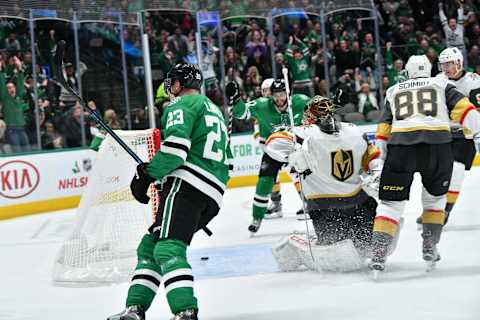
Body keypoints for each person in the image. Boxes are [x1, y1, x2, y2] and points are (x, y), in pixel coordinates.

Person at [107, 63, 231, 320]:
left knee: (168, 249)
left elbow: (175, 151)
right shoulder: (213, 108)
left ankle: (186, 311)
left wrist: (146, 175)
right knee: (150, 246)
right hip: (211, 193)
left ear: (179, 83)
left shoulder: (180, 105)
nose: (170, 86)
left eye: (172, 81)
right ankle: (135, 309)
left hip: (187, 187)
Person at [371, 55, 480, 273]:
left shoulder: (393, 90)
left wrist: (380, 158)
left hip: (401, 148)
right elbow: (465, 110)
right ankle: (430, 243)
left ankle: (379, 250)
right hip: (437, 148)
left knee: (390, 204)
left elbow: (383, 128)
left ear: (408, 73)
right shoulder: (441, 83)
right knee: (436, 200)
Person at [265, 96, 385, 271]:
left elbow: (371, 156)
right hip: (326, 207)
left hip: (355, 203)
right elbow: (273, 142)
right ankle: (296, 246)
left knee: (368, 244)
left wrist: (377, 172)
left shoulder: (347, 131)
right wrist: (294, 154)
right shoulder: (305, 134)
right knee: (338, 256)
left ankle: (323, 244)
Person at [225, 78, 310, 233]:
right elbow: (241, 113)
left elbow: (320, 109)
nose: (279, 98)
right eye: (276, 95)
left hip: (295, 148)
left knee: (306, 177)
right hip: (273, 150)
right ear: (271, 95)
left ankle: (312, 206)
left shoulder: (300, 102)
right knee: (264, 181)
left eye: (282, 94)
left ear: (288, 93)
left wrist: (335, 103)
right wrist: (236, 99)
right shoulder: (262, 105)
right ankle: (257, 217)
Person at [415, 47, 480, 226]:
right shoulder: (437, 81)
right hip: (442, 135)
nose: (445, 68)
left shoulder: (473, 82)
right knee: (433, 174)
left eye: (449, 63)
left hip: (464, 137)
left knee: (456, 174)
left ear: (459, 63)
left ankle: (445, 212)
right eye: (443, 64)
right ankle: (431, 211)